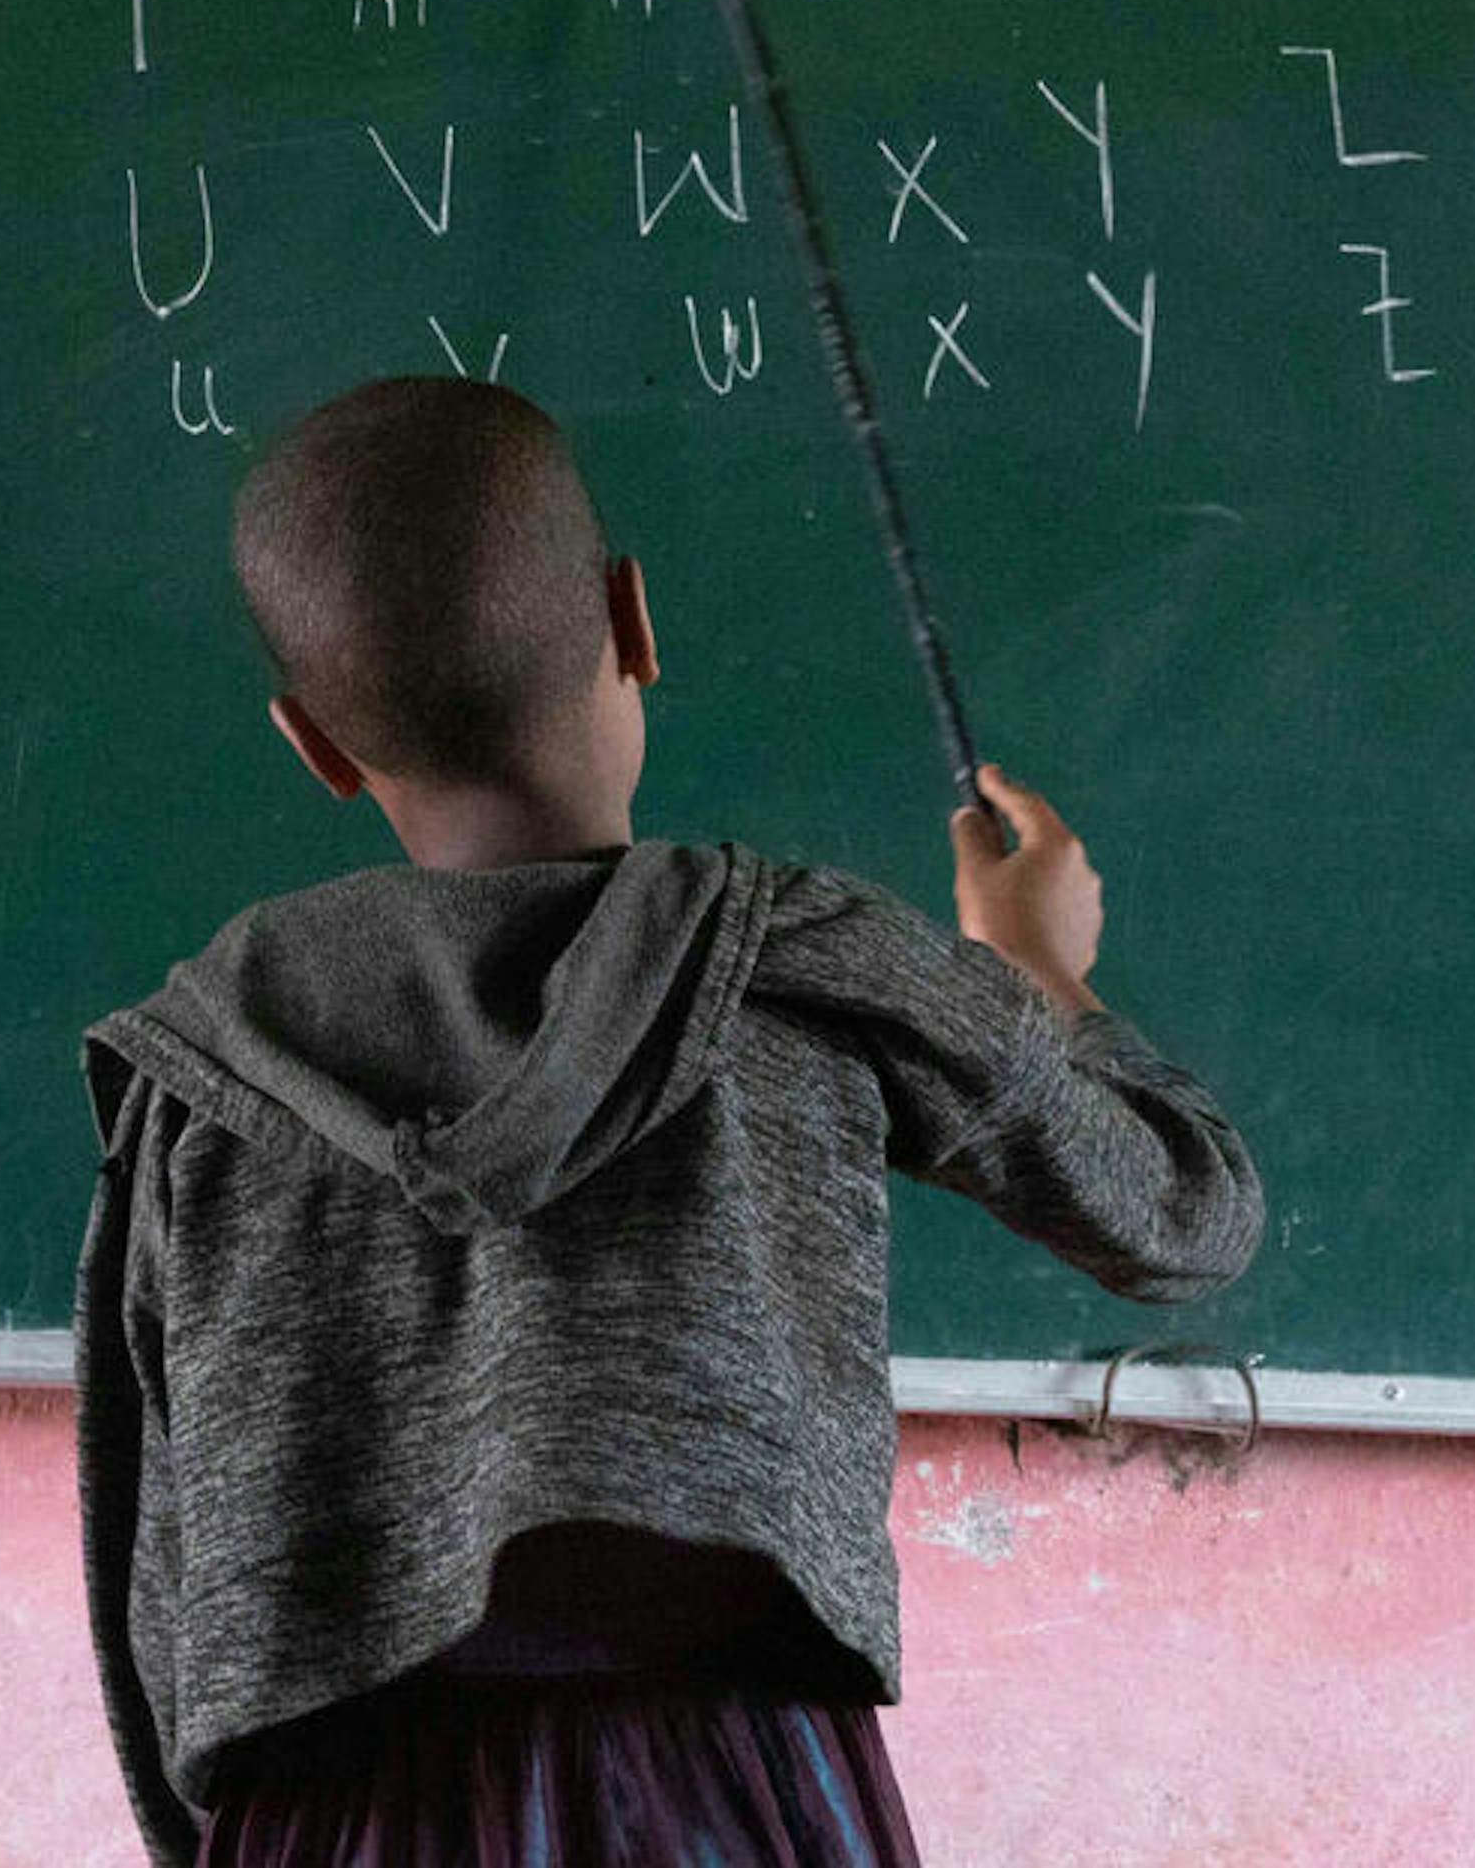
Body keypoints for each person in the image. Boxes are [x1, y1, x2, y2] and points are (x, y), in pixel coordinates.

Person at [75, 376, 1264, 1865]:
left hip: (329, 1813)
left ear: (313, 741)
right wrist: (1044, 972)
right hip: (730, 1789)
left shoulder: (200, 1076)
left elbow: (155, 1581)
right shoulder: (808, 963)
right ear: (632, 620)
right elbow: (1182, 1209)